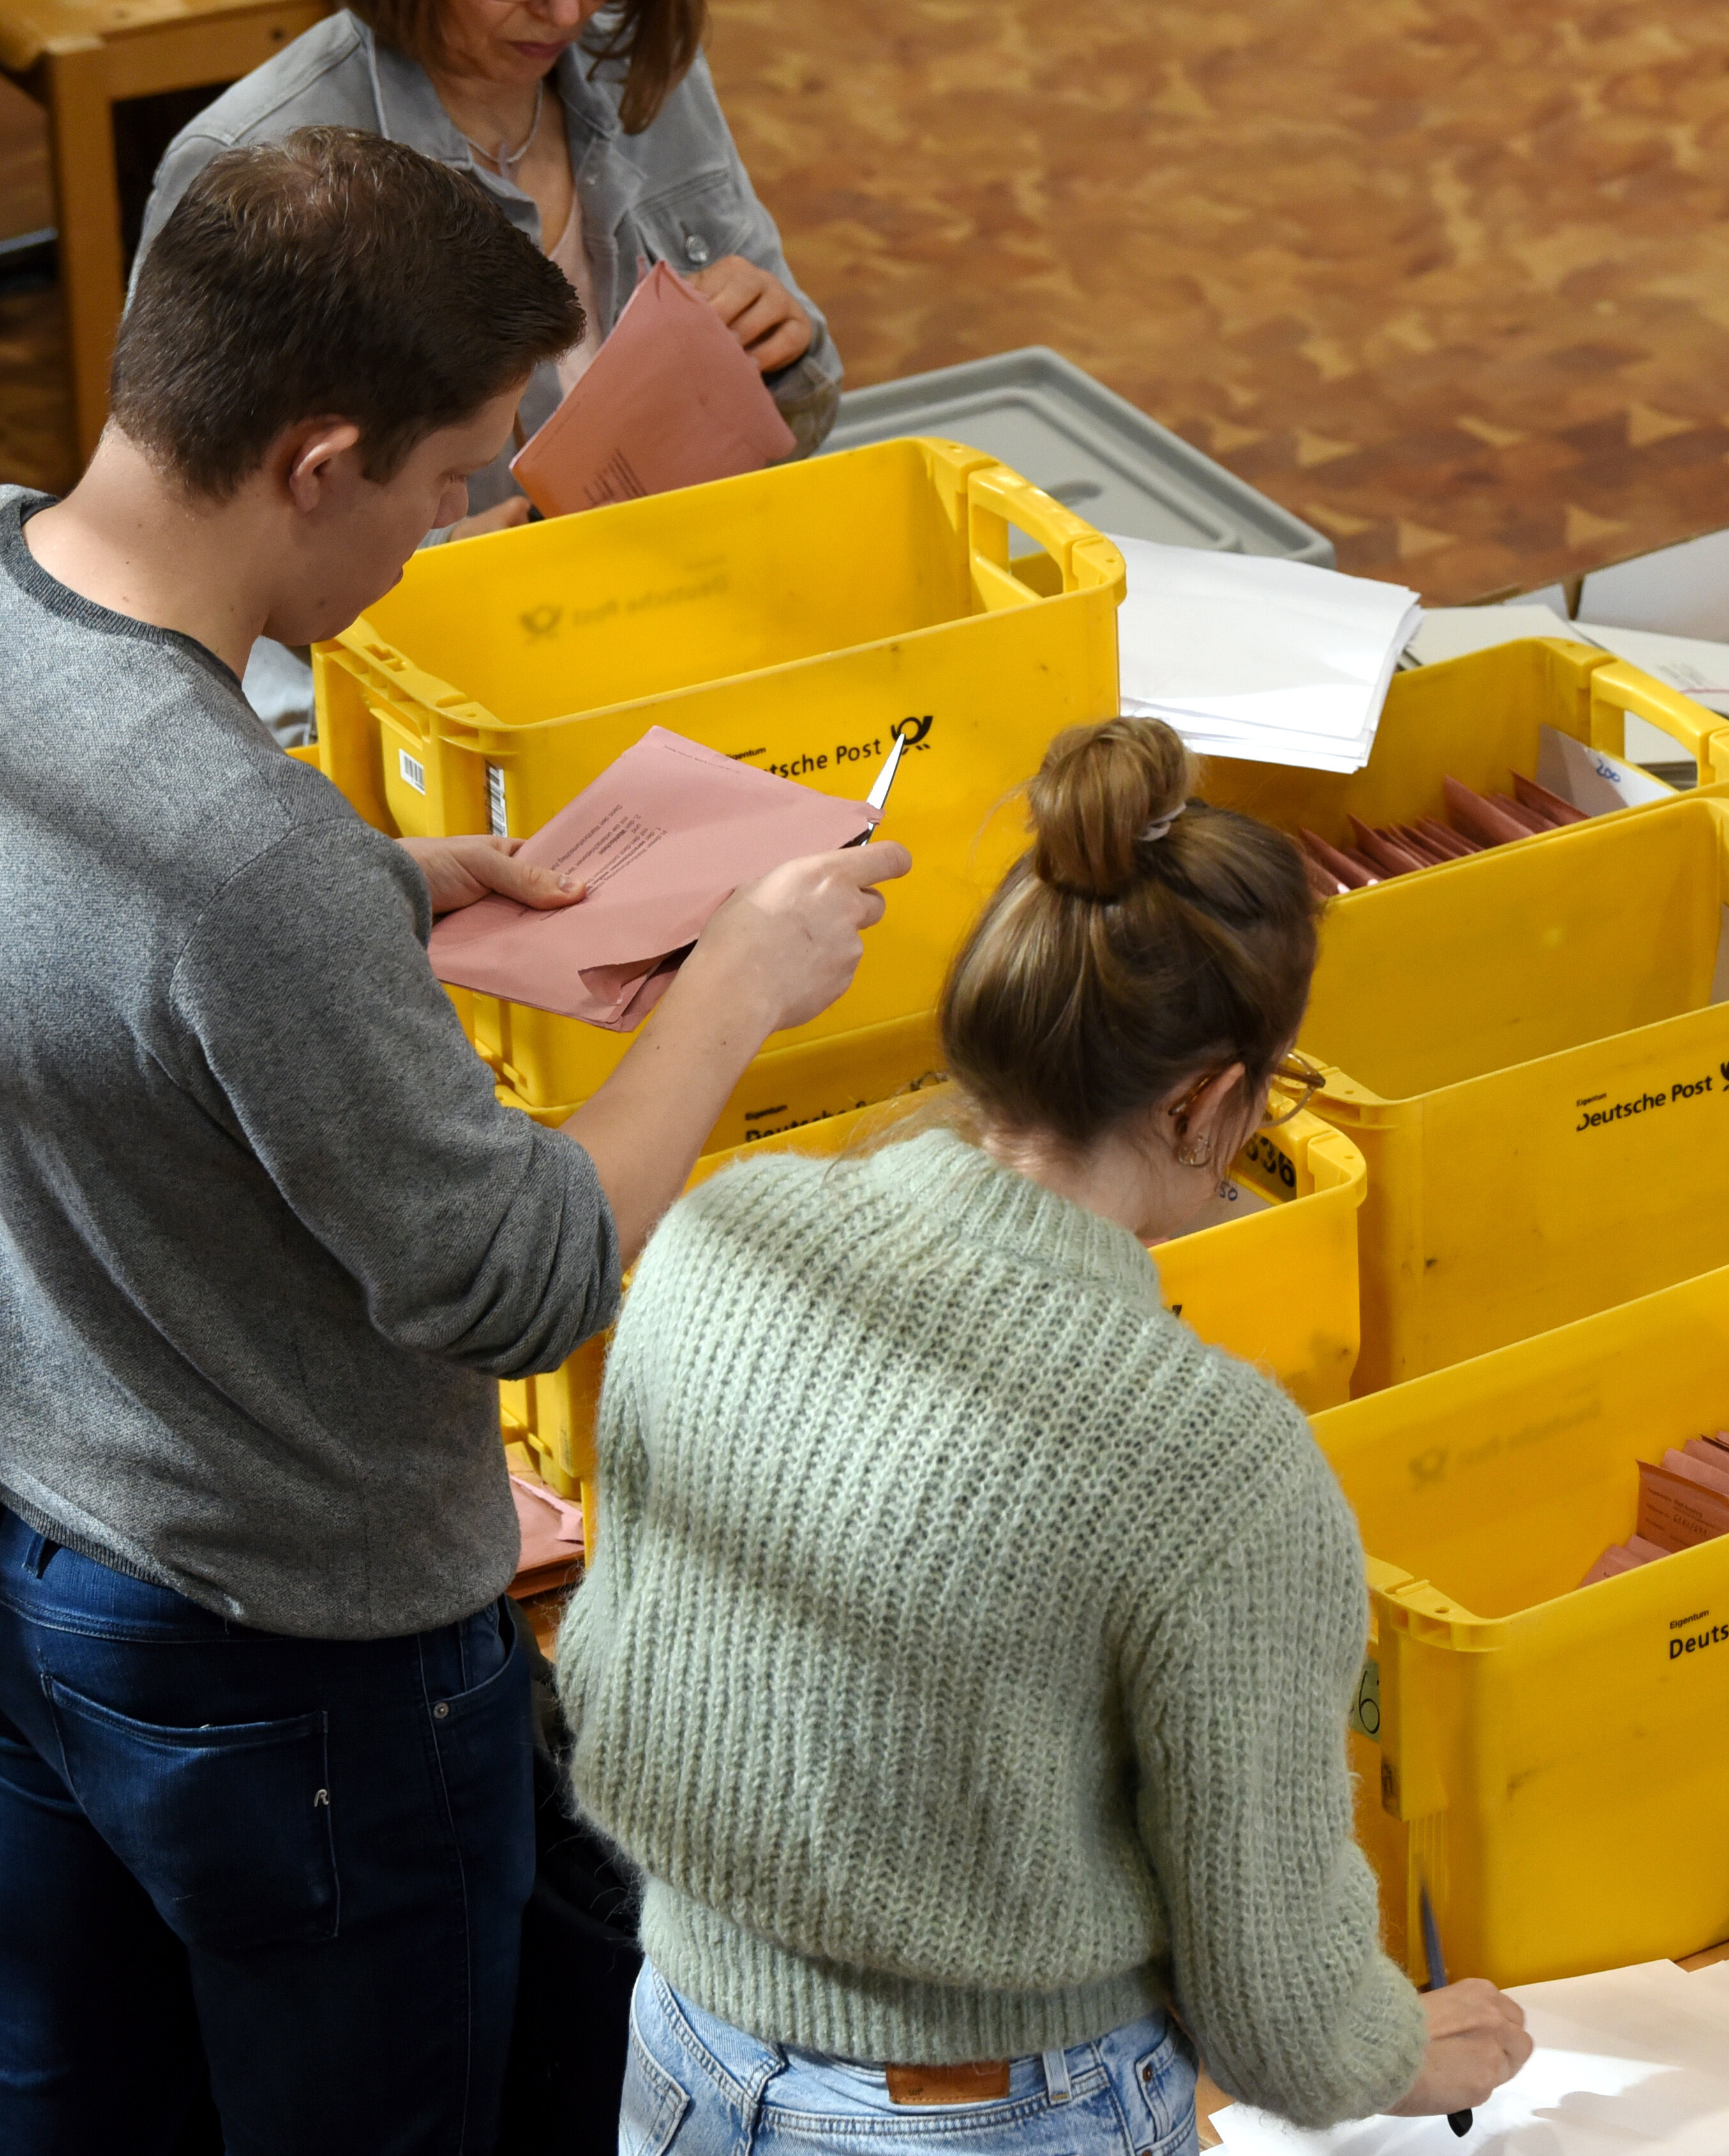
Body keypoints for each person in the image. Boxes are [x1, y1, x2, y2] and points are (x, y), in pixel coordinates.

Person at [0, 127, 905, 2153]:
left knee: (82, 2104)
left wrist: (376, 879)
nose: (448, 533)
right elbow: (514, 1275)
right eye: (444, 482)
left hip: (50, 1546)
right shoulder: (246, 857)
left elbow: (82, 933)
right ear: (318, 461)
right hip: (298, 1665)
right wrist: (737, 985)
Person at [558, 715, 1532, 2146]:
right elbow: (1274, 2007)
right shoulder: (1215, 1467)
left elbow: (614, 1668)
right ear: (1210, 1100)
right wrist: (1394, 2052)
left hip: (687, 2043)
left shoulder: (721, 1235)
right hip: (989, 2110)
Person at [144, 0, 836, 537]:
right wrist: (433, 564)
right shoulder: (251, 161)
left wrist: (780, 349)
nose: (565, 14)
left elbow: (807, 416)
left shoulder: (632, 60)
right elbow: (188, 538)